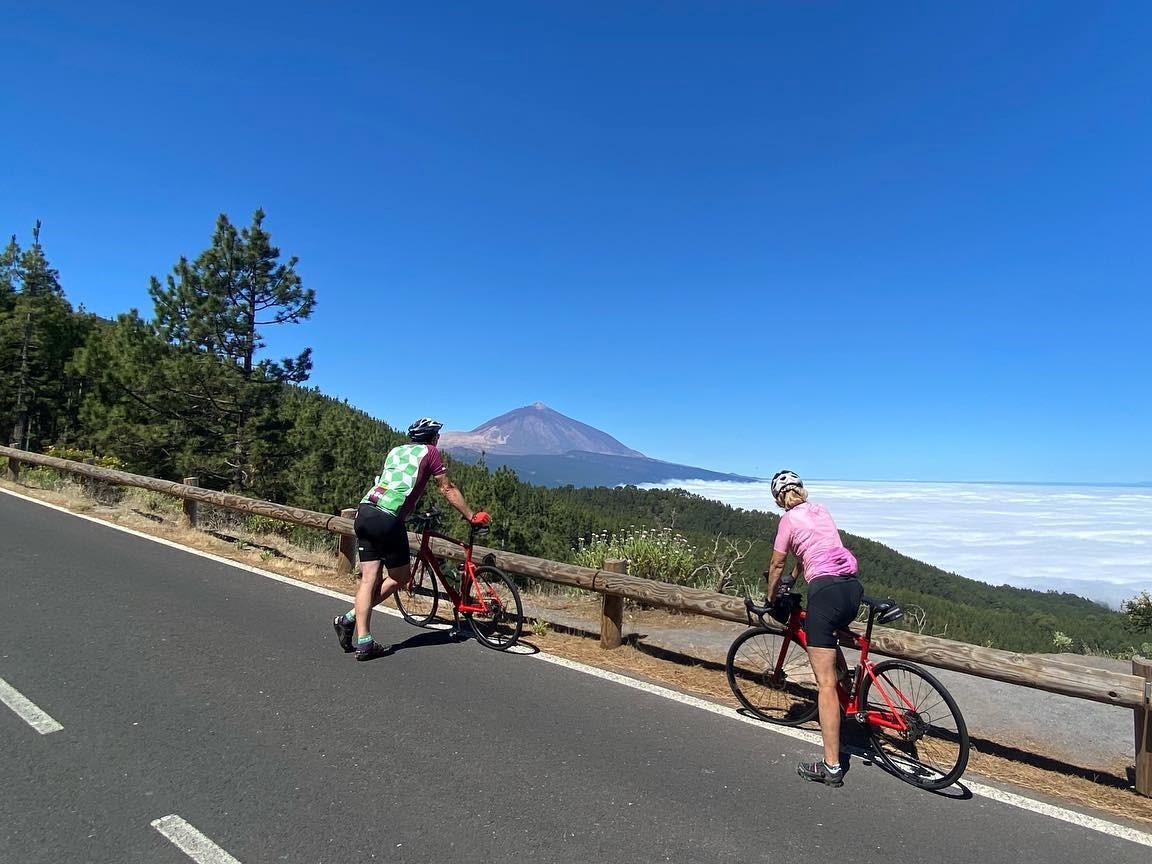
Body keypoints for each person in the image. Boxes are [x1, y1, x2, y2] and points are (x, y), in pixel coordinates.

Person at [333, 417, 489, 660]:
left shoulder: (395, 451)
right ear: (433, 438)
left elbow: (395, 481)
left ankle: (360, 637)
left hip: (365, 511)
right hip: (388, 518)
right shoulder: (430, 452)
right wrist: (471, 516)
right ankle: (350, 620)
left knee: (368, 580)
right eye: (437, 436)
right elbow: (446, 488)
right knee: (400, 577)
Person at [763, 469, 862, 787]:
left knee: (825, 684)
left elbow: (776, 563)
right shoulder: (821, 510)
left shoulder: (788, 520)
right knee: (828, 638)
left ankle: (831, 767)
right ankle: (849, 687)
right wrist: (794, 578)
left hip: (826, 592)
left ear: (779, 499)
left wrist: (772, 595)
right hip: (851, 589)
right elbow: (807, 553)